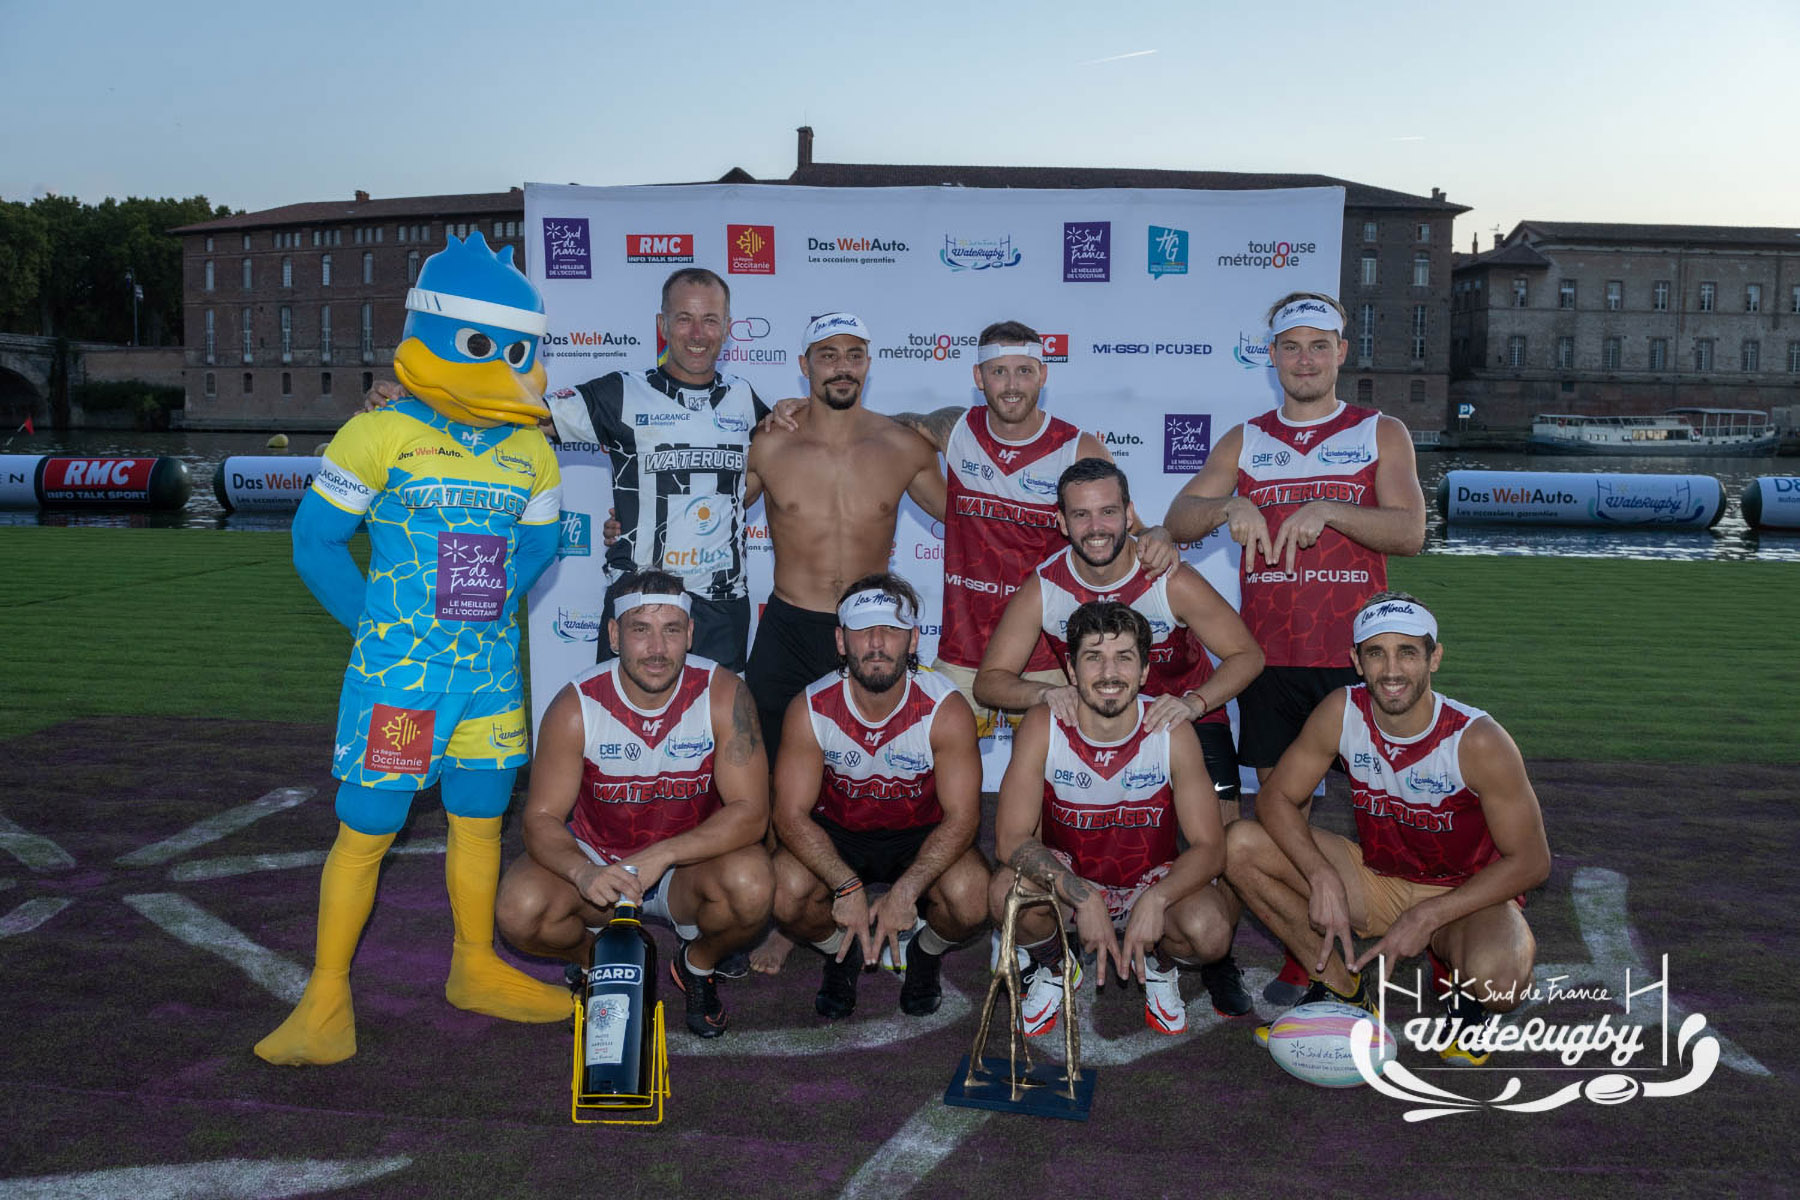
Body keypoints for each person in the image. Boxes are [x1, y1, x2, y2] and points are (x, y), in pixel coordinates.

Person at [257, 232, 571, 1066]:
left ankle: (474, 967)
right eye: (485, 347)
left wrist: (502, 590)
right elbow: (316, 543)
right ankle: (323, 1000)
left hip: (491, 676)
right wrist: (378, 628)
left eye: (518, 350)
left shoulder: (531, 448)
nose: (504, 364)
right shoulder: (380, 434)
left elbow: (540, 545)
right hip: (402, 679)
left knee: (478, 818)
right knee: (369, 826)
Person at [1160, 291, 1426, 1004]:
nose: (1304, 359)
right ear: (1270, 355)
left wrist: (1332, 507)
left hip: (1363, 657)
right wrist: (1228, 507)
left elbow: (1410, 532)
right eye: (1291, 346)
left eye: (1319, 345)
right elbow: (1178, 518)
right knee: (1284, 810)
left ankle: (1415, 924)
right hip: (1274, 657)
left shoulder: (1380, 431)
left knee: (1388, 805)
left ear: (1342, 352)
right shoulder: (1247, 440)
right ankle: (1302, 952)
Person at [974, 456, 1264, 1015]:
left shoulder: (1165, 574)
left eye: (1108, 511)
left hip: (1181, 716)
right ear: (1061, 522)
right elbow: (990, 680)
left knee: (1217, 852)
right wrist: (1041, 694)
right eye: (1081, 515)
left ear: (1130, 514)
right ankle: (1050, 945)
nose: (1096, 526)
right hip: (1097, 713)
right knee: (1047, 835)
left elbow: (1247, 653)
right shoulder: (1046, 585)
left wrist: (1194, 703)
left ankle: (1208, 956)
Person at [1223, 593, 1549, 1063]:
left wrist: (1430, 915)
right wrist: (1319, 875)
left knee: (1500, 985)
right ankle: (1341, 988)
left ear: (1434, 657)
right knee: (1240, 845)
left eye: (1407, 652)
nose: (1391, 670)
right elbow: (1276, 797)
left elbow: (1534, 861)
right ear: (1356, 660)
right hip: (1379, 878)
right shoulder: (1343, 710)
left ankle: (1465, 986)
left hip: (1465, 891)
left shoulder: (1477, 739)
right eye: (1376, 652)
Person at [494, 569, 773, 1038]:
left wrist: (661, 855)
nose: (657, 649)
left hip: (687, 867)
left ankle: (696, 965)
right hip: (600, 864)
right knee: (520, 910)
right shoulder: (576, 705)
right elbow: (540, 818)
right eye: (641, 629)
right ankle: (596, 966)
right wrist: (584, 873)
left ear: (690, 633)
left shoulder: (724, 693)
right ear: (614, 635)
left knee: (753, 886)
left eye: (671, 630)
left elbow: (751, 812)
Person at [890, 321, 1174, 731]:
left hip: (1050, 657)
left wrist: (1161, 535)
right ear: (978, 377)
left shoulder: (1078, 448)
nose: (1011, 385)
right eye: (998, 371)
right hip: (963, 650)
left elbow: (1131, 532)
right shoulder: (955, 430)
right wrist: (808, 413)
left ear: (1042, 374)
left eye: (1024, 371)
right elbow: (884, 428)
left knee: (1056, 780)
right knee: (942, 772)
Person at [991, 601, 1231, 1037]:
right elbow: (1009, 838)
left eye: (1124, 658)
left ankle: (1161, 966)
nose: (1108, 673)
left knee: (1211, 931)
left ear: (1143, 671)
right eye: (1093, 657)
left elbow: (1210, 848)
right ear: (1071, 668)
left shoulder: (1171, 730)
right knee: (1006, 893)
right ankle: (1055, 964)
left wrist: (1157, 899)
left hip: (1149, 881)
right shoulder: (1044, 724)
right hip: (1073, 882)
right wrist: (1083, 897)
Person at [768, 574, 988, 1018]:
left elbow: (963, 818)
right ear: (841, 640)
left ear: (912, 640)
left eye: (890, 629)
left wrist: (906, 892)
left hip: (920, 834)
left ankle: (925, 954)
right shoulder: (810, 707)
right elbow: (789, 815)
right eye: (863, 629)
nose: (876, 642)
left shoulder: (944, 709)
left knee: (973, 897)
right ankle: (842, 951)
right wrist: (847, 886)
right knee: (781, 892)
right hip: (840, 833)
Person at [542, 268, 770, 673]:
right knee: (621, 724)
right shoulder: (623, 392)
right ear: (663, 325)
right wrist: (423, 399)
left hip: (721, 608)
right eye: (684, 319)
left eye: (710, 319)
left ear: (728, 328)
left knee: (717, 729)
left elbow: (769, 471)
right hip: (639, 602)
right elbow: (529, 416)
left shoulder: (743, 399)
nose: (697, 333)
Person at [743, 313, 945, 761]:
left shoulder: (903, 446)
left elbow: (969, 518)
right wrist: (631, 523)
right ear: (805, 364)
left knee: (872, 769)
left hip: (870, 627)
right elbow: (710, 515)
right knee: (773, 768)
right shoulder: (769, 444)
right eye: (828, 355)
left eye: (854, 356)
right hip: (789, 628)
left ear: (868, 364)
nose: (842, 367)